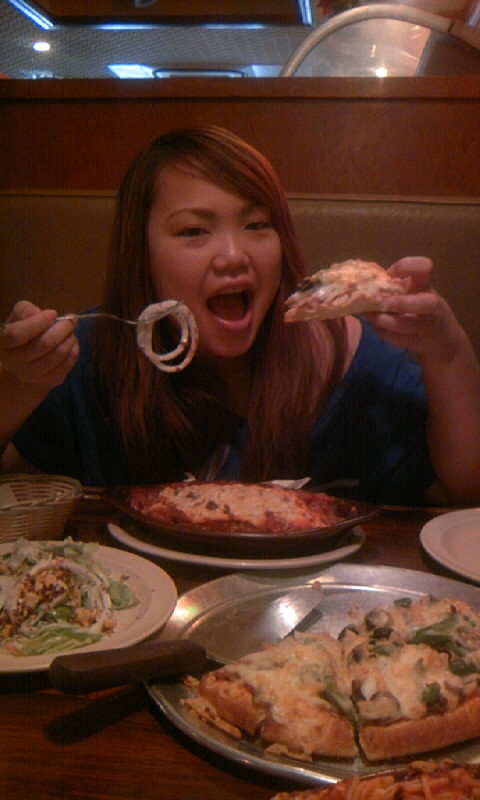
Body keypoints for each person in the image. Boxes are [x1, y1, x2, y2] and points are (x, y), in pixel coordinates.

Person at [1, 125, 480, 506]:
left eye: (256, 225)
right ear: (141, 253)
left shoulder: (360, 363)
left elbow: (464, 492)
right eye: (194, 231)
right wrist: (16, 383)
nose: (234, 255)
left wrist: (448, 351)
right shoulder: (90, 356)